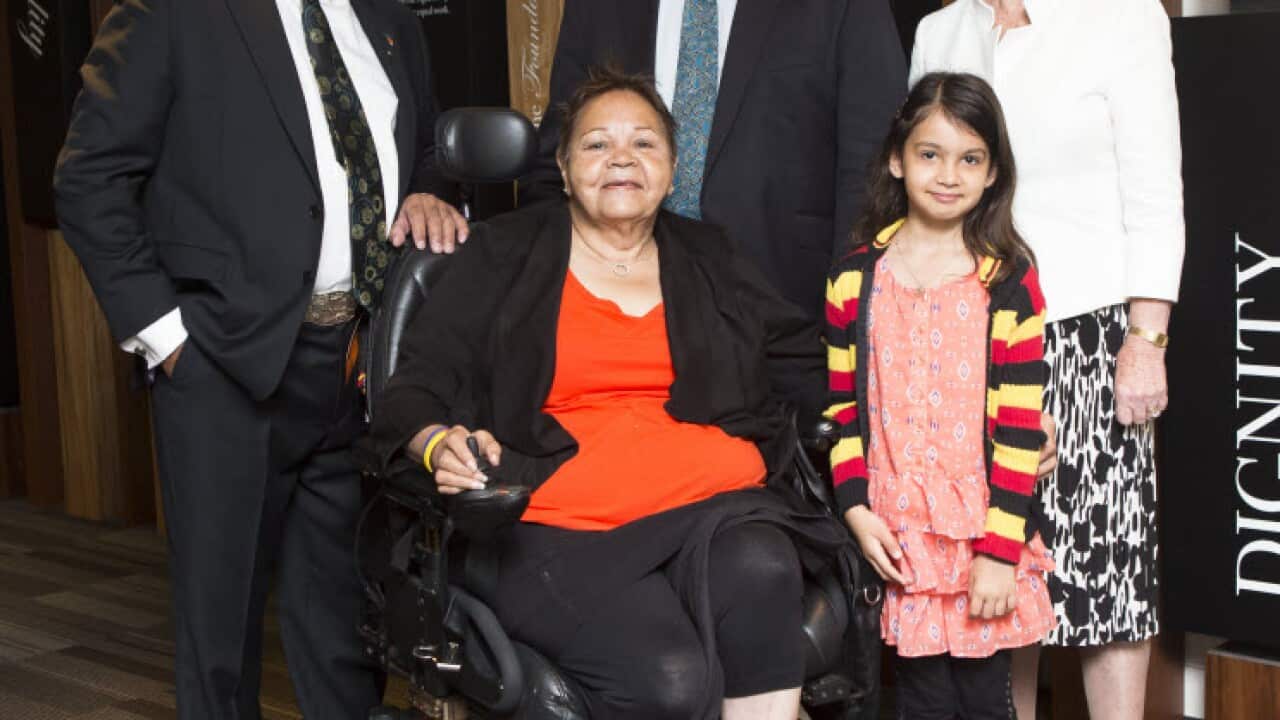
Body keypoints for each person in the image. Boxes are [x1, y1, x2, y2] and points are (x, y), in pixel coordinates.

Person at [370, 67, 858, 720]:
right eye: (597, 144)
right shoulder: (499, 253)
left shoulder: (711, 256)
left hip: (714, 507)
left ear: (673, 166)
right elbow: (413, 387)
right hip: (557, 526)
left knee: (766, 568)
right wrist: (438, 446)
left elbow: (807, 365)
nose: (621, 158)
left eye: (644, 143)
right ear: (566, 171)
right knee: (674, 681)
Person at [52, 0, 467, 715]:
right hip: (222, 365)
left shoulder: (389, 17)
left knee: (345, 630)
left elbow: (425, 144)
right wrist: (167, 338)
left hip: (357, 366)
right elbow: (89, 177)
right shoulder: (171, 13)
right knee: (221, 639)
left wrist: (429, 189)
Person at [909, 2, 1186, 717]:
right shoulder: (940, 31)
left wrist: (1146, 340)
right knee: (997, 575)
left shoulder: (1124, 17)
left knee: (1110, 580)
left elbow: (1155, 192)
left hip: (1093, 337)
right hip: (974, 336)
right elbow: (922, 195)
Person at [825, 72, 1056, 718]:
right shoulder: (853, 278)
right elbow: (842, 410)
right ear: (898, 159)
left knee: (984, 700)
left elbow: (1019, 430)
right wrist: (855, 508)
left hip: (982, 536)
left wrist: (999, 553)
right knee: (919, 702)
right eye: (931, 154)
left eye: (970, 159)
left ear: (992, 174)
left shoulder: (1009, 281)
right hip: (899, 536)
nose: (948, 174)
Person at [515, 0, 907, 321]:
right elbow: (560, 156)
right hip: (619, 313)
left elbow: (869, 170)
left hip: (781, 315)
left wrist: (848, 315)